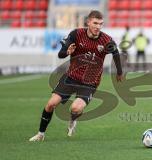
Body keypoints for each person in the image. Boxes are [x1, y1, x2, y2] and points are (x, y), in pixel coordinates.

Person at [29, 10, 123, 141]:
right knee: (51, 104)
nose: (98, 27)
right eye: (95, 23)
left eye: (101, 24)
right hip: (71, 77)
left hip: (90, 82)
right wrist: (67, 52)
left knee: (75, 108)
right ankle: (41, 134)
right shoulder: (76, 34)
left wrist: (119, 72)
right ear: (88, 22)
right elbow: (61, 54)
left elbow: (116, 54)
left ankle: (73, 120)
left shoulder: (106, 40)